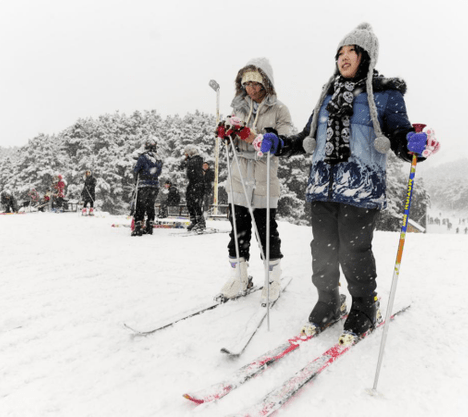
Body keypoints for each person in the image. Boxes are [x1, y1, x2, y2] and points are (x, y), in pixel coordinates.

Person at [268, 23, 439, 339]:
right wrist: (279, 144)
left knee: (354, 252)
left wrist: (414, 144)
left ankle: (363, 306)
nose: (343, 58)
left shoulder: (386, 96)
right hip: (322, 187)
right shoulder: (328, 93)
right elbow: (307, 137)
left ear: (367, 56)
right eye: (340, 53)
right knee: (322, 251)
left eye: (351, 52)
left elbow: (400, 136)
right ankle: (329, 301)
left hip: (361, 189)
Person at [218, 57, 293, 306]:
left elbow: (285, 141)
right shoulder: (239, 107)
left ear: (266, 84)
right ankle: (239, 276)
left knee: (266, 230)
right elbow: (232, 130)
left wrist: (256, 137)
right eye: (246, 83)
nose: (251, 88)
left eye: (256, 83)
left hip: (263, 174)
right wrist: (225, 132)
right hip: (239, 173)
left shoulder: (279, 109)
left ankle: (272, 279)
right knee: (238, 229)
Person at [132, 138, 162, 236]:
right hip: (155, 185)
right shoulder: (158, 158)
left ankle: (138, 226)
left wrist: (135, 179)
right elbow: (159, 172)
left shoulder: (143, 157)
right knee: (150, 205)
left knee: (140, 205)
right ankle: (150, 225)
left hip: (144, 184)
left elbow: (136, 170)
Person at [182, 144, 206, 233]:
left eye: (186, 153)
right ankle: (194, 220)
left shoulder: (196, 159)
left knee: (196, 203)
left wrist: (187, 162)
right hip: (192, 183)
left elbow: (192, 165)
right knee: (189, 202)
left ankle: (200, 222)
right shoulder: (192, 160)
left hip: (197, 183)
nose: (185, 155)